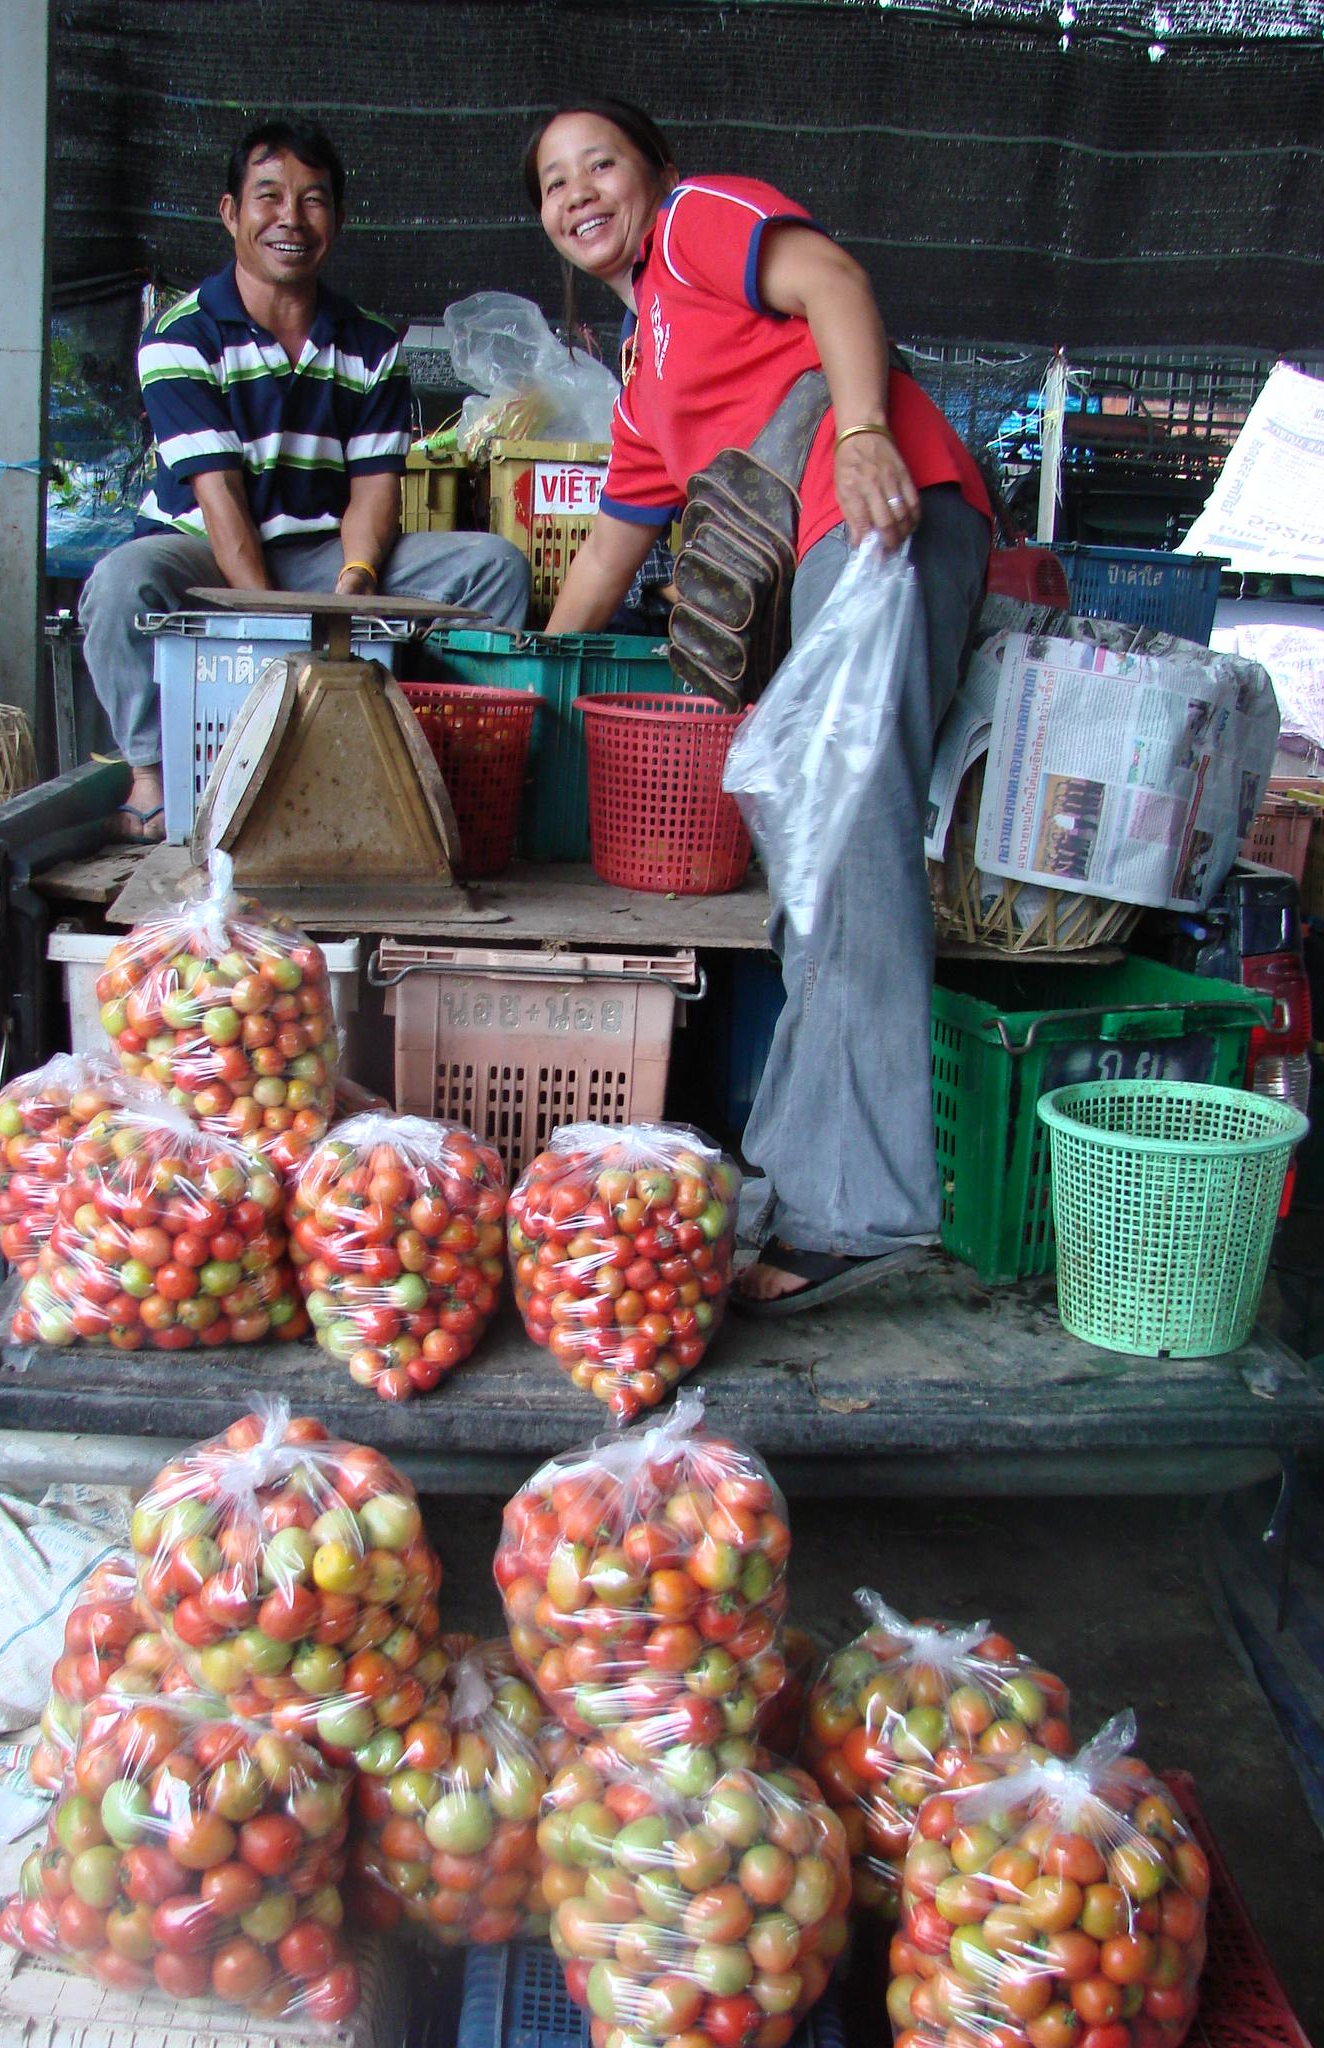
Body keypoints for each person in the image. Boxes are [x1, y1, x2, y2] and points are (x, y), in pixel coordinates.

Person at [527, 100, 993, 1314]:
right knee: (807, 856)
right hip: (827, 570)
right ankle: (802, 1176)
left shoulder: (698, 222)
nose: (579, 193)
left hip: (879, 519)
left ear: (657, 171)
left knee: (845, 837)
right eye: (554, 183)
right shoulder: (643, 383)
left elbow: (834, 281)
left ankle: (855, 1205)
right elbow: (606, 554)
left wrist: (865, 431)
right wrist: (527, 674)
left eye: (601, 164)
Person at [82, 119, 530, 839]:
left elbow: (375, 490)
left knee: (494, 567)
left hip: (321, 555)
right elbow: (220, 500)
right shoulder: (180, 336)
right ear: (231, 213)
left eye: (313, 200)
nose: (290, 218)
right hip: (202, 553)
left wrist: (355, 580)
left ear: (337, 221)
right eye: (268, 196)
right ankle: (155, 779)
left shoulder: (372, 344)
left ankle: (438, 767)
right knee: (119, 583)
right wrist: (286, 637)